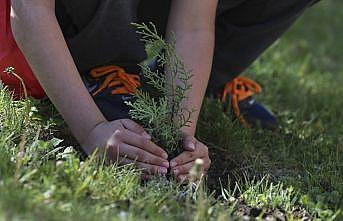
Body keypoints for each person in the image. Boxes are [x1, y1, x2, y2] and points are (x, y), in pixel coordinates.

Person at [10, 0, 318, 181]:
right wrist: (92, 130)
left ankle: (182, 78)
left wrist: (180, 133)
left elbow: (194, 23)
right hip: (25, 38)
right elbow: (29, 12)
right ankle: (98, 68)